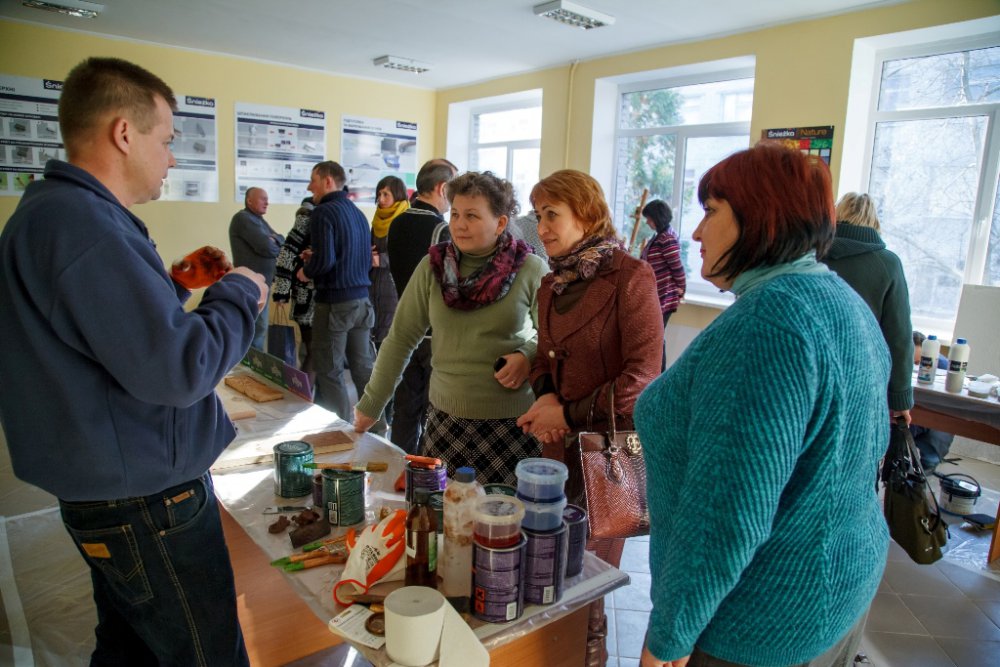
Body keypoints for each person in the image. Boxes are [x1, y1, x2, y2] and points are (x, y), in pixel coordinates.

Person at [0, 57, 267, 666]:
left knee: (130, 650)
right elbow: (182, 370)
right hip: (147, 501)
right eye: (167, 140)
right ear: (125, 133)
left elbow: (93, 335)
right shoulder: (85, 227)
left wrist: (172, 286)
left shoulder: (53, 215)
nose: (172, 158)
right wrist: (238, 294)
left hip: (110, 486)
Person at [635, 143, 889, 667]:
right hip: (840, 582)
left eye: (710, 211)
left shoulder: (768, 324)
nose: (697, 232)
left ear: (760, 217)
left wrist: (669, 638)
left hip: (760, 620)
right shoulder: (841, 300)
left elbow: (725, 515)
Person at [516, 169, 663, 667]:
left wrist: (567, 412)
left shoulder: (631, 277)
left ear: (587, 213)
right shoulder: (551, 282)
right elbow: (542, 358)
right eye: (538, 216)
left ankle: (586, 657)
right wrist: (545, 400)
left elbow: (642, 376)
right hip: (556, 452)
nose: (542, 227)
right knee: (546, 571)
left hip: (608, 459)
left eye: (552, 215)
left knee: (588, 584)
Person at [355, 171, 547, 484]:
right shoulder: (432, 267)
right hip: (445, 423)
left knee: (502, 525)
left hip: (512, 425)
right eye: (455, 213)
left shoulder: (531, 269)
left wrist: (528, 354)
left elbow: (554, 338)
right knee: (444, 524)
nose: (459, 224)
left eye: (472, 215)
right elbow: (401, 338)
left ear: (500, 223)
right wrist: (371, 404)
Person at [821, 191, 913, 423]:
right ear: (874, 222)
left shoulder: (811, 256)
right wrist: (900, 399)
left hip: (812, 370)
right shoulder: (888, 264)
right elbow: (899, 337)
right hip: (863, 376)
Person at [385, 158, 458, 453]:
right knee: (433, 416)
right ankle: (424, 478)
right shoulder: (439, 230)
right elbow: (450, 285)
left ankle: (397, 469)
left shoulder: (396, 222)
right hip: (431, 334)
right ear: (442, 188)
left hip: (403, 326)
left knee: (405, 411)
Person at [297, 160, 376, 422]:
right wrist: (318, 256)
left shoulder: (323, 212)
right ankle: (375, 427)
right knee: (363, 369)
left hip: (334, 304)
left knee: (329, 370)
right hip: (363, 303)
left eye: (314, 180)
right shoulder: (358, 213)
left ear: (328, 181)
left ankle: (340, 430)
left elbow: (326, 262)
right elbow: (362, 260)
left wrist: (306, 269)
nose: (310, 187)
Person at [230, 186, 284, 351]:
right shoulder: (243, 218)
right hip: (249, 286)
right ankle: (246, 368)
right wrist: (273, 241)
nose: (267, 202)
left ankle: (255, 368)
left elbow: (282, 240)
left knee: (260, 329)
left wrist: (275, 239)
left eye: (267, 199)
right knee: (251, 329)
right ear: (249, 200)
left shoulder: (259, 220)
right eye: (262, 198)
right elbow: (266, 247)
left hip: (263, 285)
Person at [640, 199, 686, 371]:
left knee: (656, 337)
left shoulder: (666, 238)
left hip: (664, 296)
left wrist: (682, 289)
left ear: (657, 218)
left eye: (649, 218)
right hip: (657, 295)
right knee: (654, 336)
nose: (647, 222)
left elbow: (677, 267)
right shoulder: (660, 236)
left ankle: (659, 374)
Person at [273, 196, 316, 372]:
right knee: (315, 351)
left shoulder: (308, 218)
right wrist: (281, 293)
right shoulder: (306, 220)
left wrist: (282, 293)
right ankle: (304, 394)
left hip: (304, 297)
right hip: (309, 298)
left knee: (309, 350)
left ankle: (307, 393)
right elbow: (286, 255)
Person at [370, 175, 409, 346]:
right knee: (374, 333)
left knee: (389, 336)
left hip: (393, 285)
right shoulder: (377, 219)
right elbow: (371, 248)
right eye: (379, 194)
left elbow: (404, 253)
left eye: (386, 194)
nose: (381, 199)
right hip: (373, 281)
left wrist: (381, 259)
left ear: (398, 195)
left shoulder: (405, 220)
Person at [911, 330, 954, 472]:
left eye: (918, 363)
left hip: (935, 415)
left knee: (930, 458)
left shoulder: (943, 366)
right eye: (911, 363)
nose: (915, 368)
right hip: (905, 412)